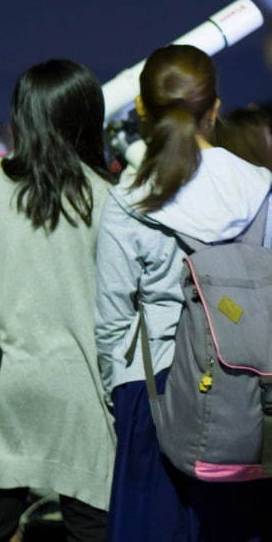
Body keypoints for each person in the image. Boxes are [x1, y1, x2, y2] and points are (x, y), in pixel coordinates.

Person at [94, 45, 271, 541]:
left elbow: (111, 319)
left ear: (144, 114)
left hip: (152, 390)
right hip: (247, 391)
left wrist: (121, 393)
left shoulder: (129, 200)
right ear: (215, 108)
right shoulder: (261, 189)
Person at [0, 60, 116, 542]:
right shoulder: (106, 198)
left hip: (2, 385)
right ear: (87, 116)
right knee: (91, 523)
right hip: (84, 391)